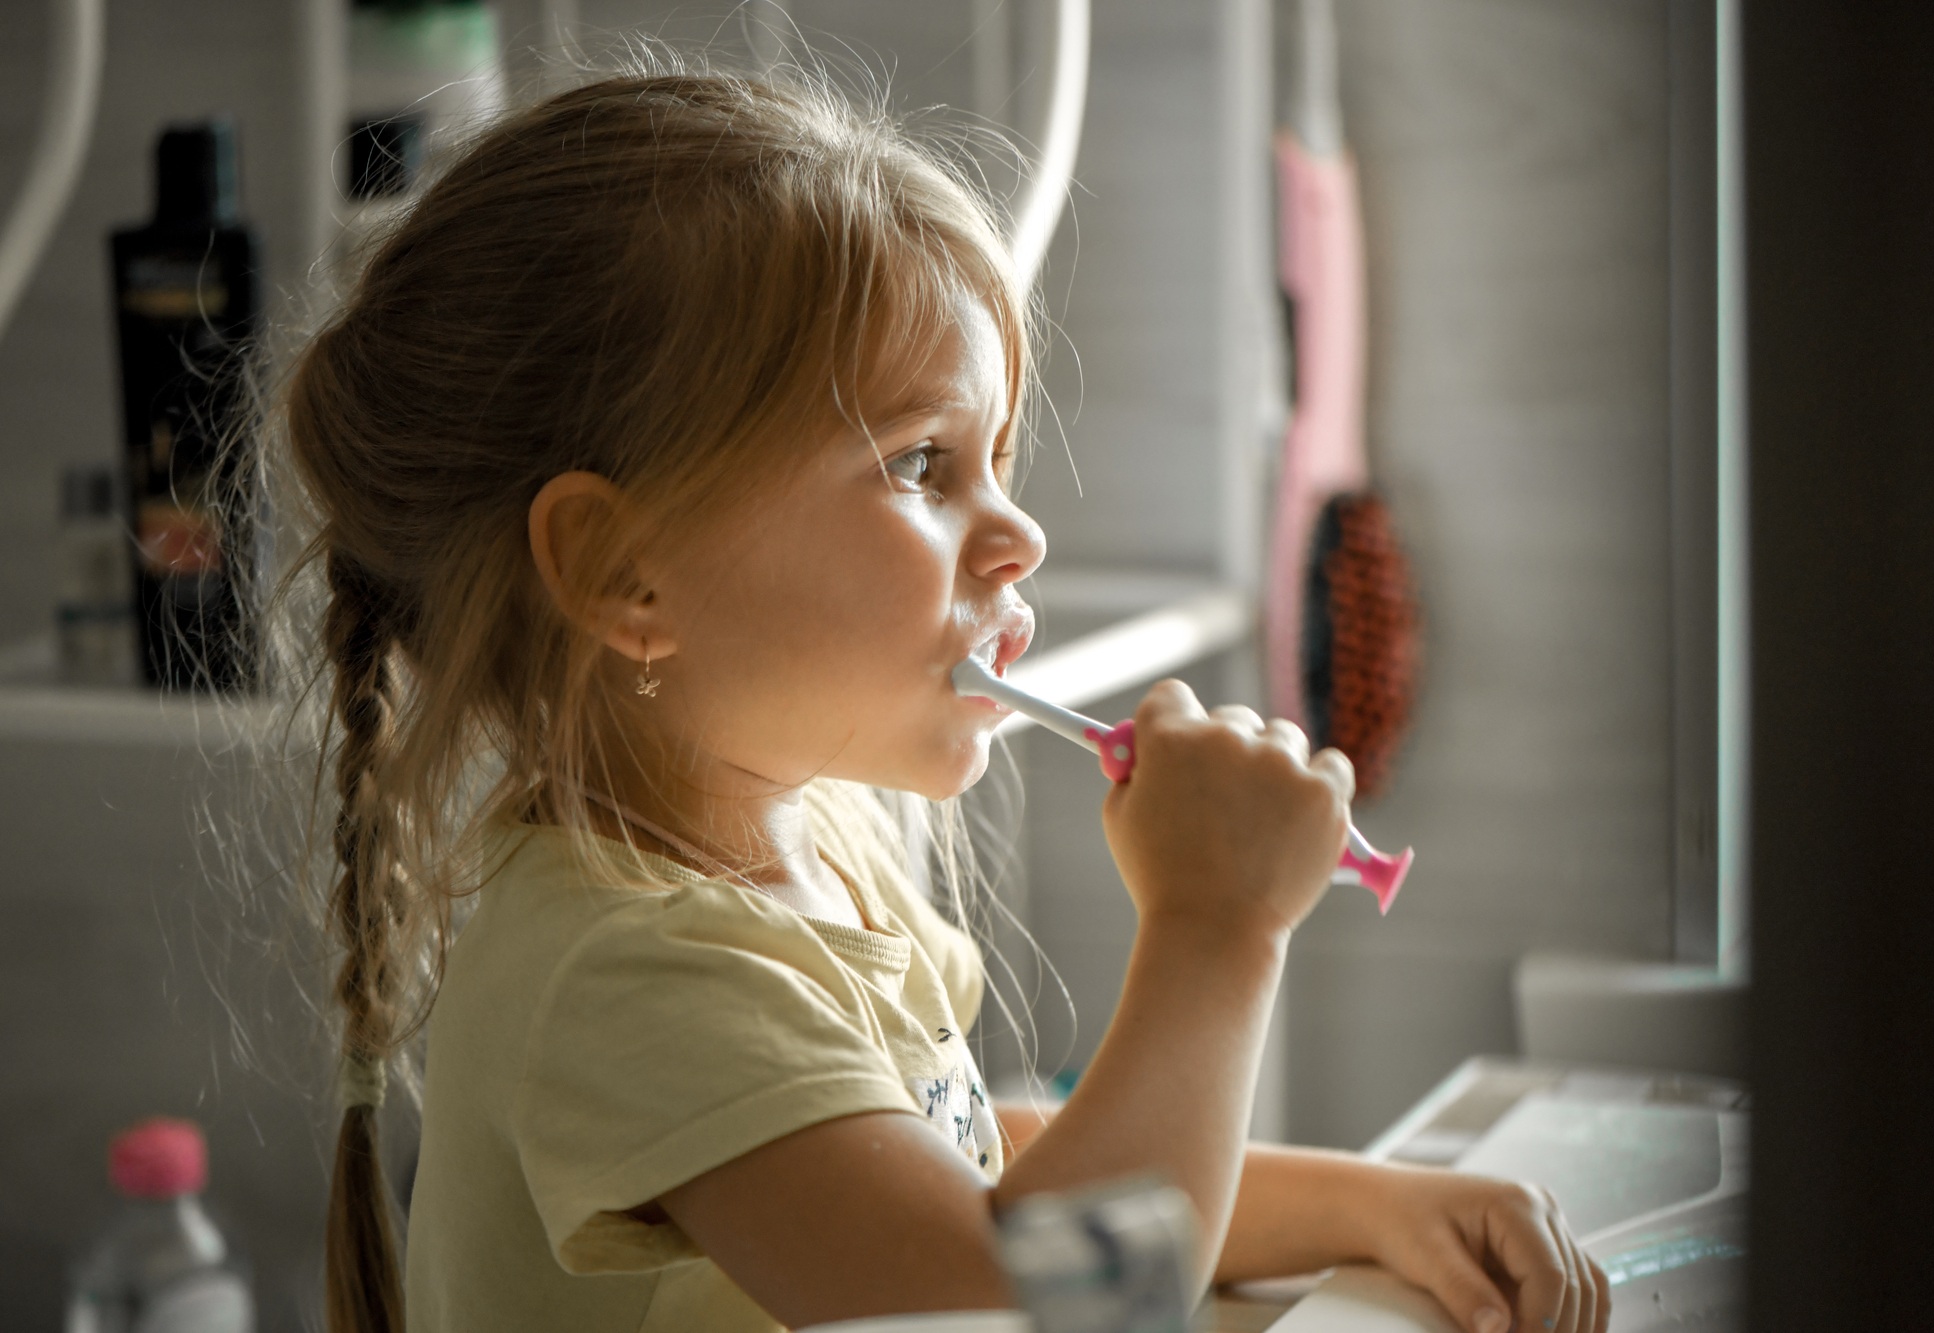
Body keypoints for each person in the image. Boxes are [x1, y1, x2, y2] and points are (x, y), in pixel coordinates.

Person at [273, 64, 1609, 1333]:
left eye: (998, 458)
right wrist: (1216, 932)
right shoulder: (620, 973)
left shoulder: (799, 852)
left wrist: (1376, 1206)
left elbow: (958, 1174)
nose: (1019, 533)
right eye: (924, 463)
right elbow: (1022, 1296)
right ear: (626, 573)